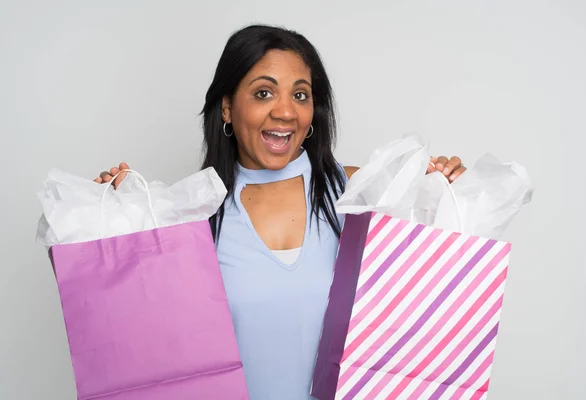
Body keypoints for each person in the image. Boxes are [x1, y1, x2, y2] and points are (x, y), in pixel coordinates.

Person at [94, 25, 466, 400]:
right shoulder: (187, 214)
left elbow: (421, 309)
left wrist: (446, 191)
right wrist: (111, 221)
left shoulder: (362, 194)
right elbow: (145, 343)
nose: (286, 111)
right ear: (227, 106)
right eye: (263, 92)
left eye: (300, 95)